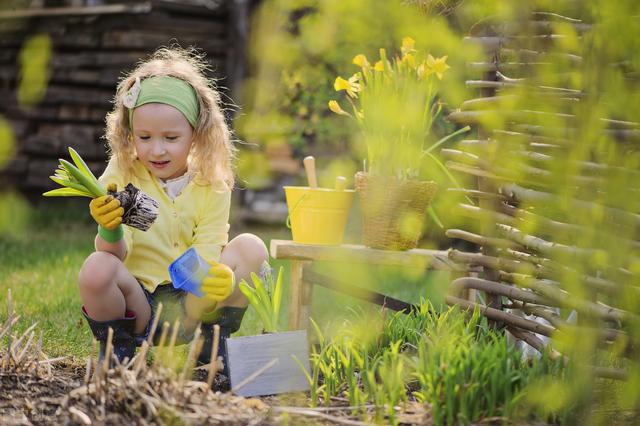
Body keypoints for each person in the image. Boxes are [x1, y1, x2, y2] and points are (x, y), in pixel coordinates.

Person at [78, 47, 268, 373]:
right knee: (96, 267)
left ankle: (209, 350)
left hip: (193, 306)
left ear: (195, 134)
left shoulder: (211, 179)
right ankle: (119, 354)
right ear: (130, 133)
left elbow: (210, 243)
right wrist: (109, 228)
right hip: (141, 307)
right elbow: (114, 256)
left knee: (251, 248)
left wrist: (215, 279)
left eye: (171, 137)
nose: (157, 149)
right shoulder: (123, 172)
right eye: (144, 136)